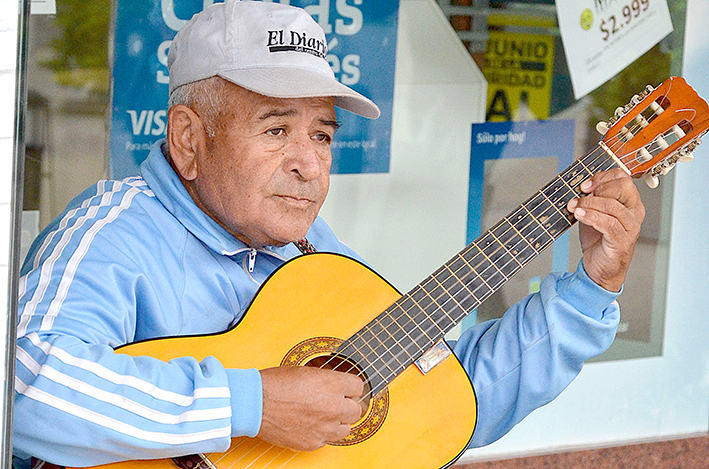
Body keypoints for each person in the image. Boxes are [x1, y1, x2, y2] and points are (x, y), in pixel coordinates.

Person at [13, 1, 645, 467]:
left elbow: (449, 395)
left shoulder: (316, 256)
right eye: (274, 128)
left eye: (321, 134)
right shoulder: (114, 235)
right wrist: (252, 403)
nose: (308, 161)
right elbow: (25, 384)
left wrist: (592, 287)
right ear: (188, 138)